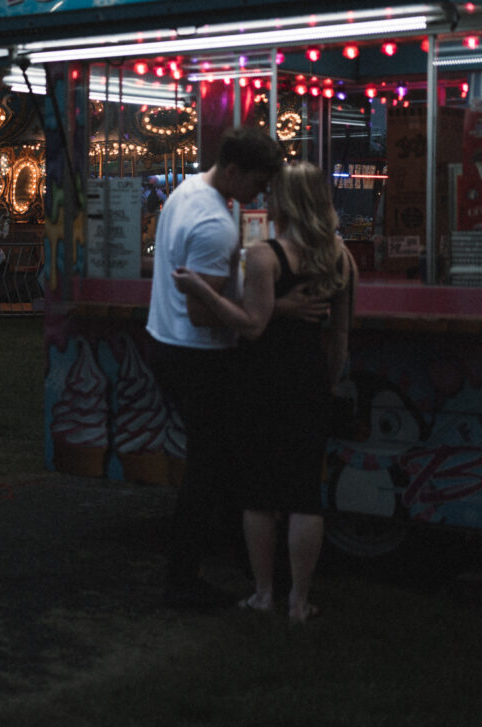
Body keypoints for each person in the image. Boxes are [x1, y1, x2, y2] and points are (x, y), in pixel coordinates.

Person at [172, 161, 357, 623]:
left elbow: (252, 326)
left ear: (284, 202)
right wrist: (330, 379)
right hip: (310, 376)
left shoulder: (264, 256)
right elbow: (339, 334)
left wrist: (202, 290)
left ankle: (262, 593)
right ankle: (299, 601)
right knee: (303, 493)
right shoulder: (341, 257)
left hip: (260, 380)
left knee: (258, 493)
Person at [146, 126, 284, 610]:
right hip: (199, 354)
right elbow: (204, 312)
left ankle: (238, 563)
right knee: (208, 469)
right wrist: (262, 299)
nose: (260, 194)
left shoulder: (187, 191)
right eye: (257, 183)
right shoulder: (215, 226)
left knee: (217, 462)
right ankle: (183, 581)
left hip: (167, 340)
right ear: (232, 171)